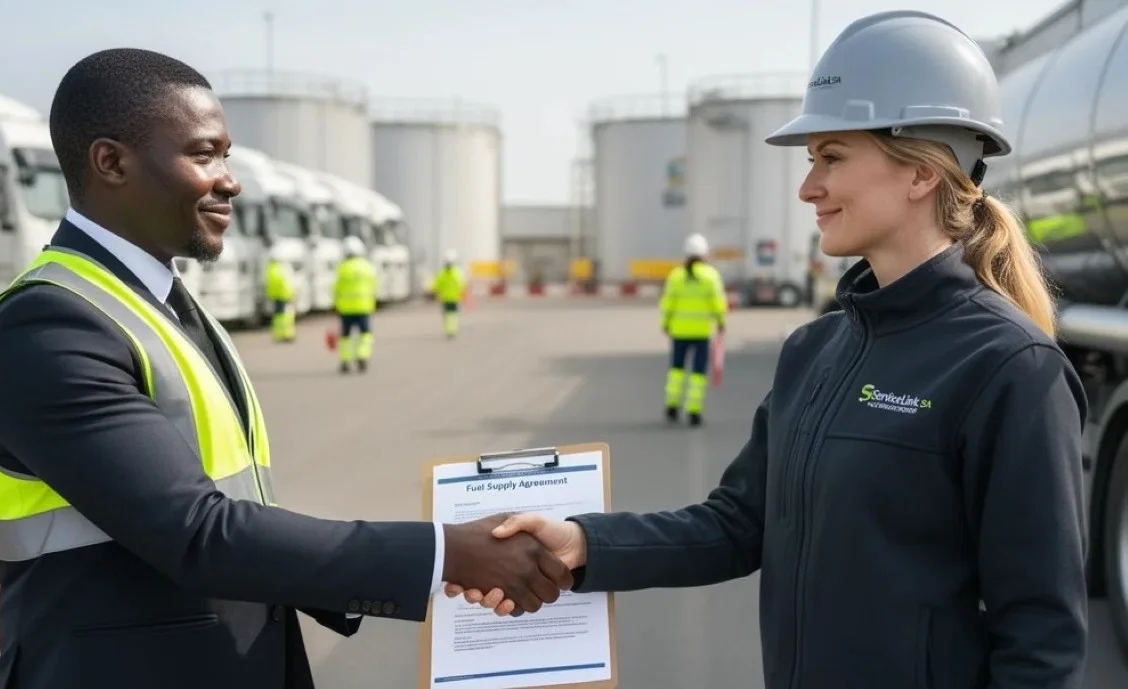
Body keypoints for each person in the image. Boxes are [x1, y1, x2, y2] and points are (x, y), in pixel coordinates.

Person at [446, 10, 1090, 688]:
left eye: (832, 158)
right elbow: (736, 524)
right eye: (812, 162)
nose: (808, 188)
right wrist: (583, 543)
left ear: (922, 171)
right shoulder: (816, 348)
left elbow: (1041, 642)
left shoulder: (1010, 368)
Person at [0, 48, 571, 689]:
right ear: (111, 162)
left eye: (228, 155)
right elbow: (197, 532)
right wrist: (445, 554)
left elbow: (236, 504)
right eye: (203, 154)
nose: (230, 179)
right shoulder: (46, 328)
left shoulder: (162, 302)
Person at [659, 233, 726, 426]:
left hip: (679, 332)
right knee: (698, 373)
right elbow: (718, 303)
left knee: (676, 370)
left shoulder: (676, 276)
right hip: (701, 333)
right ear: (704, 253)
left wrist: (665, 323)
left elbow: (667, 303)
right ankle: (694, 411)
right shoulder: (710, 276)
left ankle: (671, 406)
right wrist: (721, 322)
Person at [334, 235, 377, 373]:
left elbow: (336, 288)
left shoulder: (342, 267)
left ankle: (345, 362)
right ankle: (362, 357)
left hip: (346, 309)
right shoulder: (368, 267)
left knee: (345, 336)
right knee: (365, 334)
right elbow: (374, 286)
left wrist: (335, 304)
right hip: (364, 307)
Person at [433, 249, 467, 339]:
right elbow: (462, 284)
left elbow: (437, 284)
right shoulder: (457, 273)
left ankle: (450, 330)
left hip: (448, 297)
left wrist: (437, 292)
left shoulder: (443, 273)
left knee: (448, 315)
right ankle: (451, 330)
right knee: (452, 315)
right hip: (452, 297)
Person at [265, 255, 296, 342]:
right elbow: (284, 284)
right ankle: (285, 334)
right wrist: (290, 294)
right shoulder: (279, 270)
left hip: (276, 296)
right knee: (284, 316)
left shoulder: (270, 270)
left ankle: (279, 334)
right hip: (283, 296)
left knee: (278, 315)